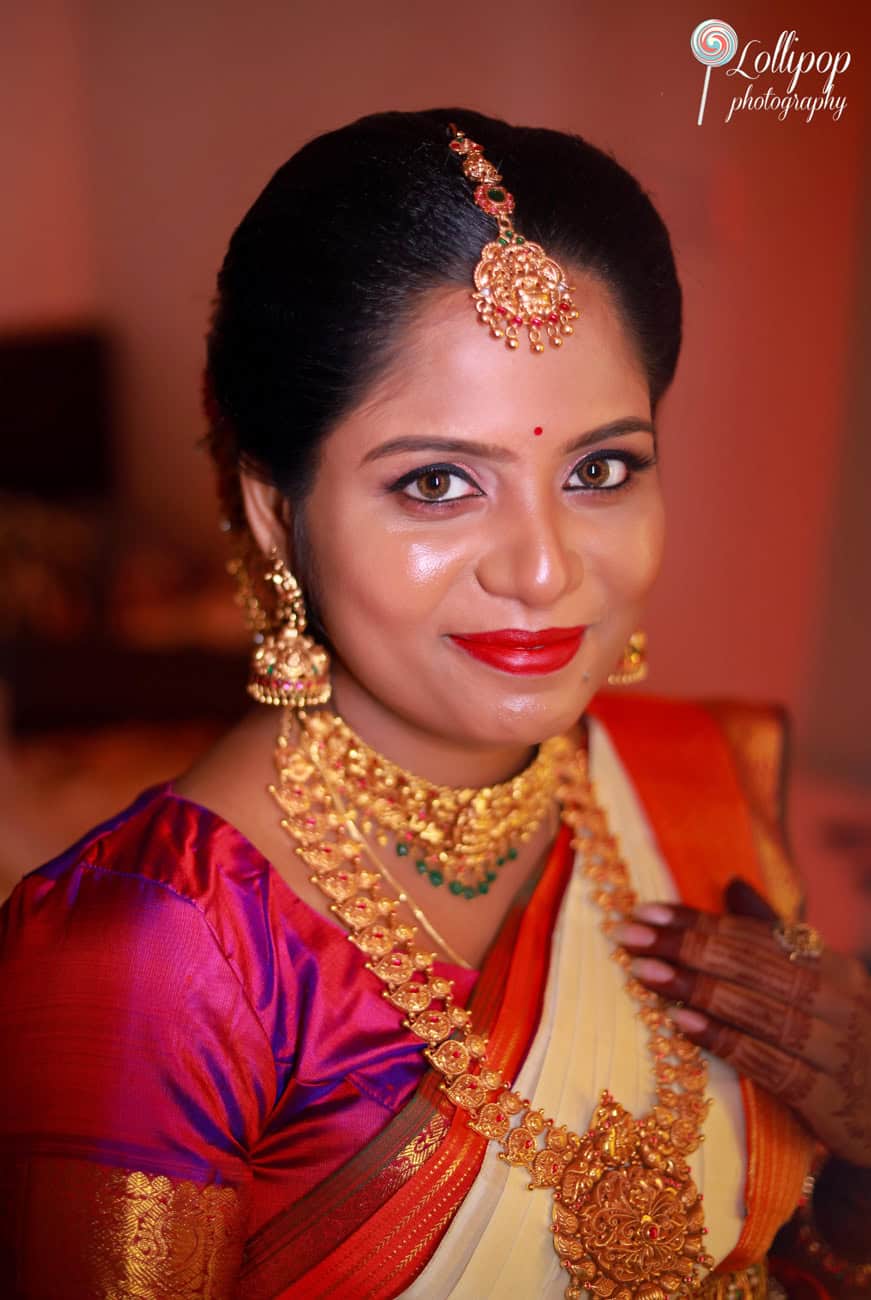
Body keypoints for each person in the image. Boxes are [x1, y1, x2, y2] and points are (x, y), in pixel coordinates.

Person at [0, 107, 869, 1300]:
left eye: (599, 469)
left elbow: (785, 1263)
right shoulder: (161, 954)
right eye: (438, 481)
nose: (545, 567)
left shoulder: (694, 780)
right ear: (272, 509)